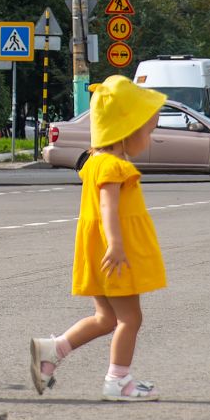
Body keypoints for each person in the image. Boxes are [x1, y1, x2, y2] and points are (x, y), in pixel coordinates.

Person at [28, 77, 167, 401]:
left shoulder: (96, 161)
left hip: (99, 251)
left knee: (106, 318)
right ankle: (118, 381)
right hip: (113, 254)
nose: (149, 138)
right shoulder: (112, 166)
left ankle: (53, 351)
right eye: (147, 132)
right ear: (126, 130)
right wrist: (117, 245)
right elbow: (108, 208)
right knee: (131, 318)